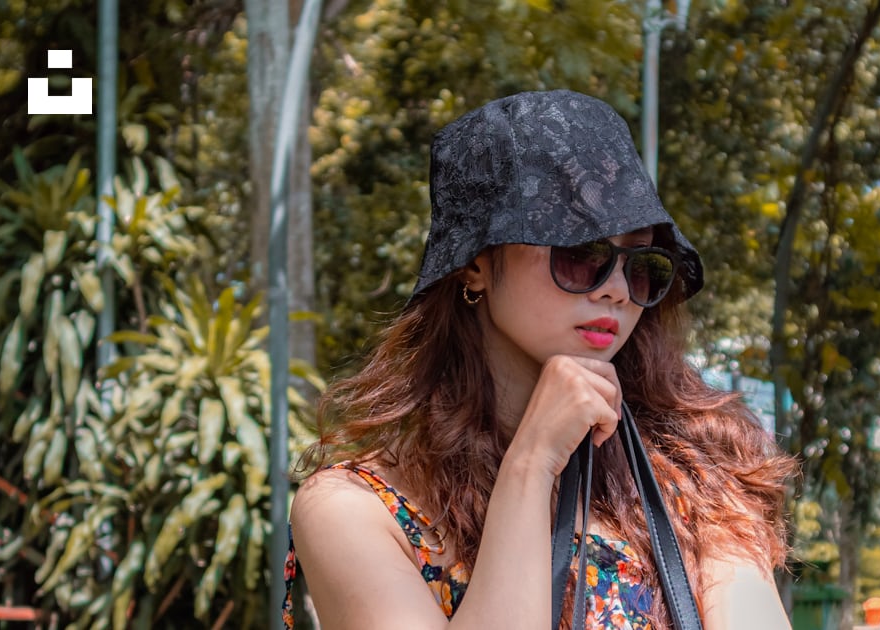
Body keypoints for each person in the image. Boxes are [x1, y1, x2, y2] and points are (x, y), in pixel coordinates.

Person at [285, 89, 798, 630]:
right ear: (475, 266)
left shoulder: (696, 478)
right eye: (581, 254)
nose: (617, 290)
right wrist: (531, 464)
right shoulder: (355, 508)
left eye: (641, 263)